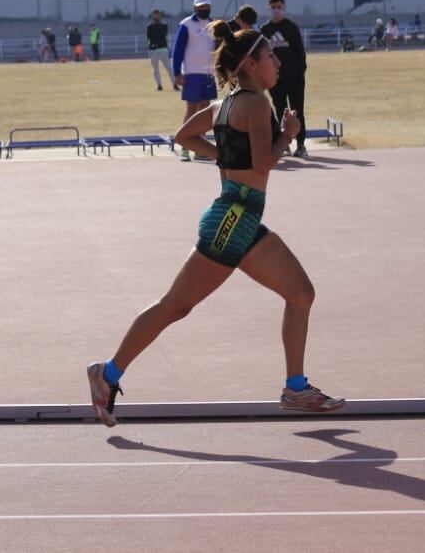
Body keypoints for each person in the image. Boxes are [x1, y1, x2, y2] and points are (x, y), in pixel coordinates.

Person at [85, 22, 346, 427]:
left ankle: (296, 388)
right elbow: (262, 162)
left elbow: (183, 135)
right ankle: (108, 373)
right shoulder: (258, 104)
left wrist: (224, 158)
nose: (277, 62)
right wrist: (289, 134)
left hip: (241, 217)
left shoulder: (225, 105)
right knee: (175, 305)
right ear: (250, 64)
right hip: (232, 219)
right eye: (271, 57)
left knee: (300, 293)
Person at [260, 0, 308, 158]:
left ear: (284, 8)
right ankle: (283, 143)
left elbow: (300, 53)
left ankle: (301, 144)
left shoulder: (291, 28)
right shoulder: (264, 30)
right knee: (279, 110)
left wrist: (300, 72)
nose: (276, 10)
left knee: (297, 110)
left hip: (294, 77)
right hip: (275, 79)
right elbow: (262, 56)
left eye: (279, 7)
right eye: (273, 7)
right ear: (268, 8)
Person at [172, 0, 219, 160]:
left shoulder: (214, 25)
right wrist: (177, 73)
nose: (204, 9)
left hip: (208, 73)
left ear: (210, 7)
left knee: (205, 112)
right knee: (191, 110)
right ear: (195, 8)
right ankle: (185, 147)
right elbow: (177, 50)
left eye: (206, 7)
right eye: (200, 7)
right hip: (191, 73)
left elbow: (218, 48)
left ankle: (200, 148)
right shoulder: (186, 24)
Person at [147, 10, 172, 90]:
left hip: (163, 48)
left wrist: (155, 39)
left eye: (157, 15)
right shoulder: (149, 26)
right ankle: (159, 85)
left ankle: (174, 83)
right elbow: (149, 37)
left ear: (160, 16)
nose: (156, 17)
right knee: (155, 68)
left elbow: (162, 34)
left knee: (168, 67)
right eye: (154, 15)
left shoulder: (164, 25)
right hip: (153, 50)